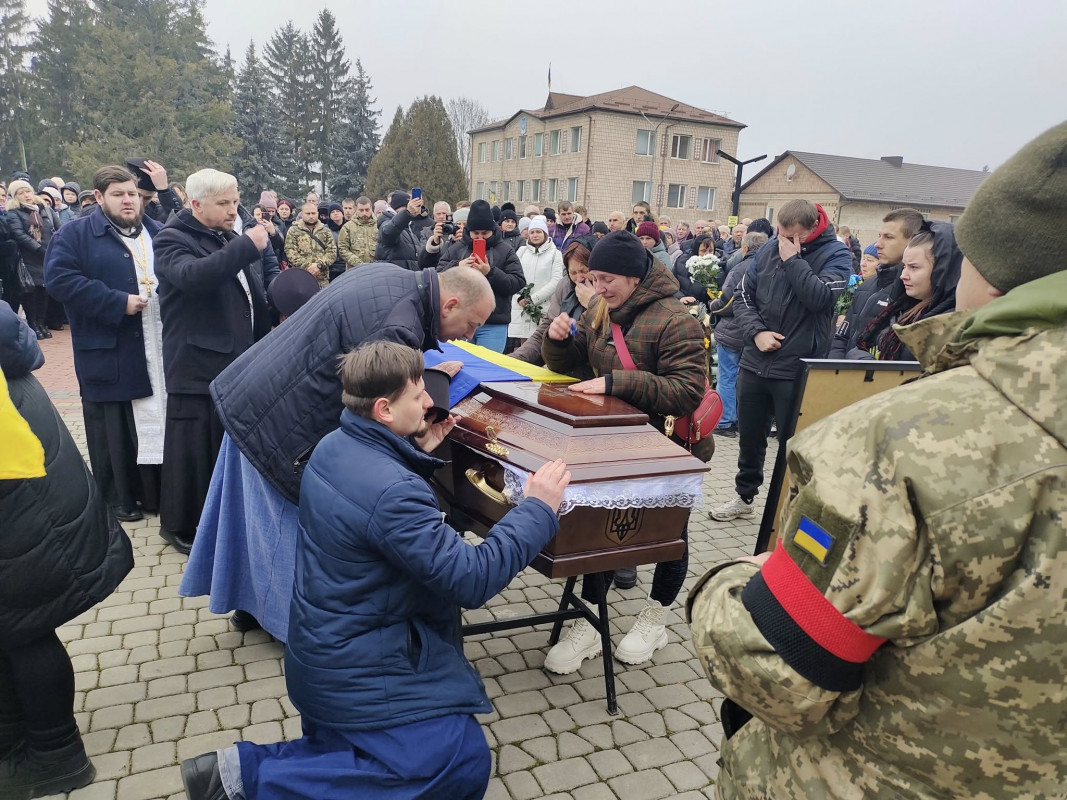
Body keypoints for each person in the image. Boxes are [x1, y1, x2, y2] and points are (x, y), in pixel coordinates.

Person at [687, 119, 1067, 800]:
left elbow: (778, 671)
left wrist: (725, 582)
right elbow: (740, 300)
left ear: (987, 266)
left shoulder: (910, 443)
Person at [181, 340, 570, 800]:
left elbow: (380, 520)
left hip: (323, 650)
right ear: (384, 409)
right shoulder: (391, 489)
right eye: (417, 395)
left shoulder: (335, 443)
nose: (429, 402)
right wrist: (538, 509)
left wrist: (414, 453)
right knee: (459, 757)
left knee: (354, 758)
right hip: (360, 666)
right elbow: (471, 578)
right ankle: (246, 778)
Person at [181, 265, 496, 637]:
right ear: (451, 304)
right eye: (471, 324)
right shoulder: (398, 327)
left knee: (253, 523)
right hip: (285, 427)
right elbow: (380, 413)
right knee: (283, 533)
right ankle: (292, 632)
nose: (470, 335)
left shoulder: (393, 277)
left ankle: (249, 609)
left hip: (257, 398)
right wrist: (419, 445)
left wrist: (427, 374)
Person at [540, 231, 712, 671]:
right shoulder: (602, 309)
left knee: (669, 534)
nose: (598, 288)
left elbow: (686, 391)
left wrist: (617, 383)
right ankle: (591, 619)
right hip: (613, 444)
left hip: (668, 448)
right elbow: (579, 364)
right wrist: (559, 342)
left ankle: (656, 616)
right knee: (600, 530)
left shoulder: (677, 320)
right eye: (594, 278)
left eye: (606, 278)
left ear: (635, 276)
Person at [0, 303, 133, 799]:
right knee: (14, 631)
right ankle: (16, 740)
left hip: (22, 505)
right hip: (32, 494)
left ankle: (57, 756)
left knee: (24, 629)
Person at [152, 169, 272, 555]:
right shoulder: (172, 238)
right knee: (189, 451)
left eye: (236, 201)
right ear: (195, 203)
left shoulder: (225, 235)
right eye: (224, 203)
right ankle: (177, 524)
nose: (233, 210)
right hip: (194, 366)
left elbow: (247, 292)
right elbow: (193, 277)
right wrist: (245, 248)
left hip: (232, 361)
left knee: (217, 448)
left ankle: (212, 517)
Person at [710, 199, 852, 522]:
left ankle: (791, 510)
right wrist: (757, 333)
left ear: (812, 228)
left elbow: (821, 298)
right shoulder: (770, 248)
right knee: (750, 438)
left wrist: (794, 261)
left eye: (793, 237)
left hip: (797, 368)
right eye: (781, 235)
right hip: (756, 361)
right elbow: (743, 296)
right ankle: (744, 497)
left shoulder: (837, 254)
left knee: (795, 444)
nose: (784, 242)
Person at [44, 165, 167, 523]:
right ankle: (119, 499)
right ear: (99, 198)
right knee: (113, 427)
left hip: (154, 343)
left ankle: (155, 494)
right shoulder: (74, 234)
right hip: (108, 346)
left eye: (132, 194)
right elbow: (60, 281)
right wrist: (117, 301)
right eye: (118, 194)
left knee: (154, 418)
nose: (127, 201)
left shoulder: (154, 231)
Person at [420, 199, 524, 353]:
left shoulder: (505, 250)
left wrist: (490, 272)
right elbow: (438, 277)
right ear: (469, 231)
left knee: (488, 368)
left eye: (485, 234)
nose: (480, 238)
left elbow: (517, 282)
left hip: (493, 323)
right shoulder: (456, 249)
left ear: (493, 231)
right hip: (459, 320)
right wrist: (458, 267)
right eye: (476, 233)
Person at [849, 223, 962, 360]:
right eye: (904, 266)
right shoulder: (900, 307)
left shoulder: (952, 325)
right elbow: (857, 346)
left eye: (914, 267)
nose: (903, 275)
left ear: (942, 271)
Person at [829, 208, 925, 358]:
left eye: (888, 237)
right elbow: (842, 339)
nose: (877, 244)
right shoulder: (866, 286)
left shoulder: (918, 294)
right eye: (879, 236)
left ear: (912, 240)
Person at [709, 231, 769, 438]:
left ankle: (725, 421)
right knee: (746, 378)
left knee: (727, 376)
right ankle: (742, 420)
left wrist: (713, 306)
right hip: (758, 333)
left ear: (744, 248)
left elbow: (728, 301)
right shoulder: (771, 268)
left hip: (734, 330)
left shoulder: (741, 268)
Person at [511, 235, 596, 374]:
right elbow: (544, 332)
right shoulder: (565, 287)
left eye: (584, 271)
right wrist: (514, 360)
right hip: (565, 370)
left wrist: (594, 303)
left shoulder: (607, 292)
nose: (579, 278)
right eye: (573, 272)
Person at [5, 179, 56, 339]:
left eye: (27, 191)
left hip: (47, 255)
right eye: (21, 193)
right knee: (31, 292)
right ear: (15, 196)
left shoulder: (43, 210)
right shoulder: (14, 213)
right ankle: (33, 324)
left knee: (44, 291)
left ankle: (42, 323)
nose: (26, 195)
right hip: (29, 257)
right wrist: (38, 248)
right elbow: (18, 234)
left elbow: (56, 229)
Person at [509, 215, 563, 343]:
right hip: (522, 306)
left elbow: (556, 281)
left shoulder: (555, 254)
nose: (535, 235)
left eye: (538, 232)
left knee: (541, 343)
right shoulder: (521, 252)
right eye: (532, 232)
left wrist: (534, 299)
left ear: (544, 233)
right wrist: (521, 297)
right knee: (524, 345)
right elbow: (514, 275)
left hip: (543, 307)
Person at [283, 202, 337, 288]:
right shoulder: (294, 230)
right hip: (301, 277)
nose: (311, 216)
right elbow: (290, 251)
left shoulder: (326, 231)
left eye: (313, 213)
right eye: (308, 213)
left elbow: (332, 252)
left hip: (322, 278)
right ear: (302, 214)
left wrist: (319, 265)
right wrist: (307, 266)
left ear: (317, 213)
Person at [376, 191, 425, 271]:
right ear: (398, 208)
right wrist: (407, 213)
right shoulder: (386, 222)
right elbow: (388, 232)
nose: (413, 209)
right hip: (393, 278)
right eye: (407, 206)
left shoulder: (408, 226)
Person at [125, 158, 184, 224]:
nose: (140, 202)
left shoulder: (156, 215)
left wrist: (164, 189)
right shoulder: (113, 210)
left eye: (147, 198)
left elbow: (179, 219)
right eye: (136, 195)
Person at [337, 195, 378, 269]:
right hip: (354, 270)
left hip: (375, 269)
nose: (364, 213)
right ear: (356, 209)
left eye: (367, 210)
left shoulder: (379, 225)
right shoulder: (347, 227)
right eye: (361, 210)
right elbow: (342, 249)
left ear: (371, 208)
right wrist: (358, 263)